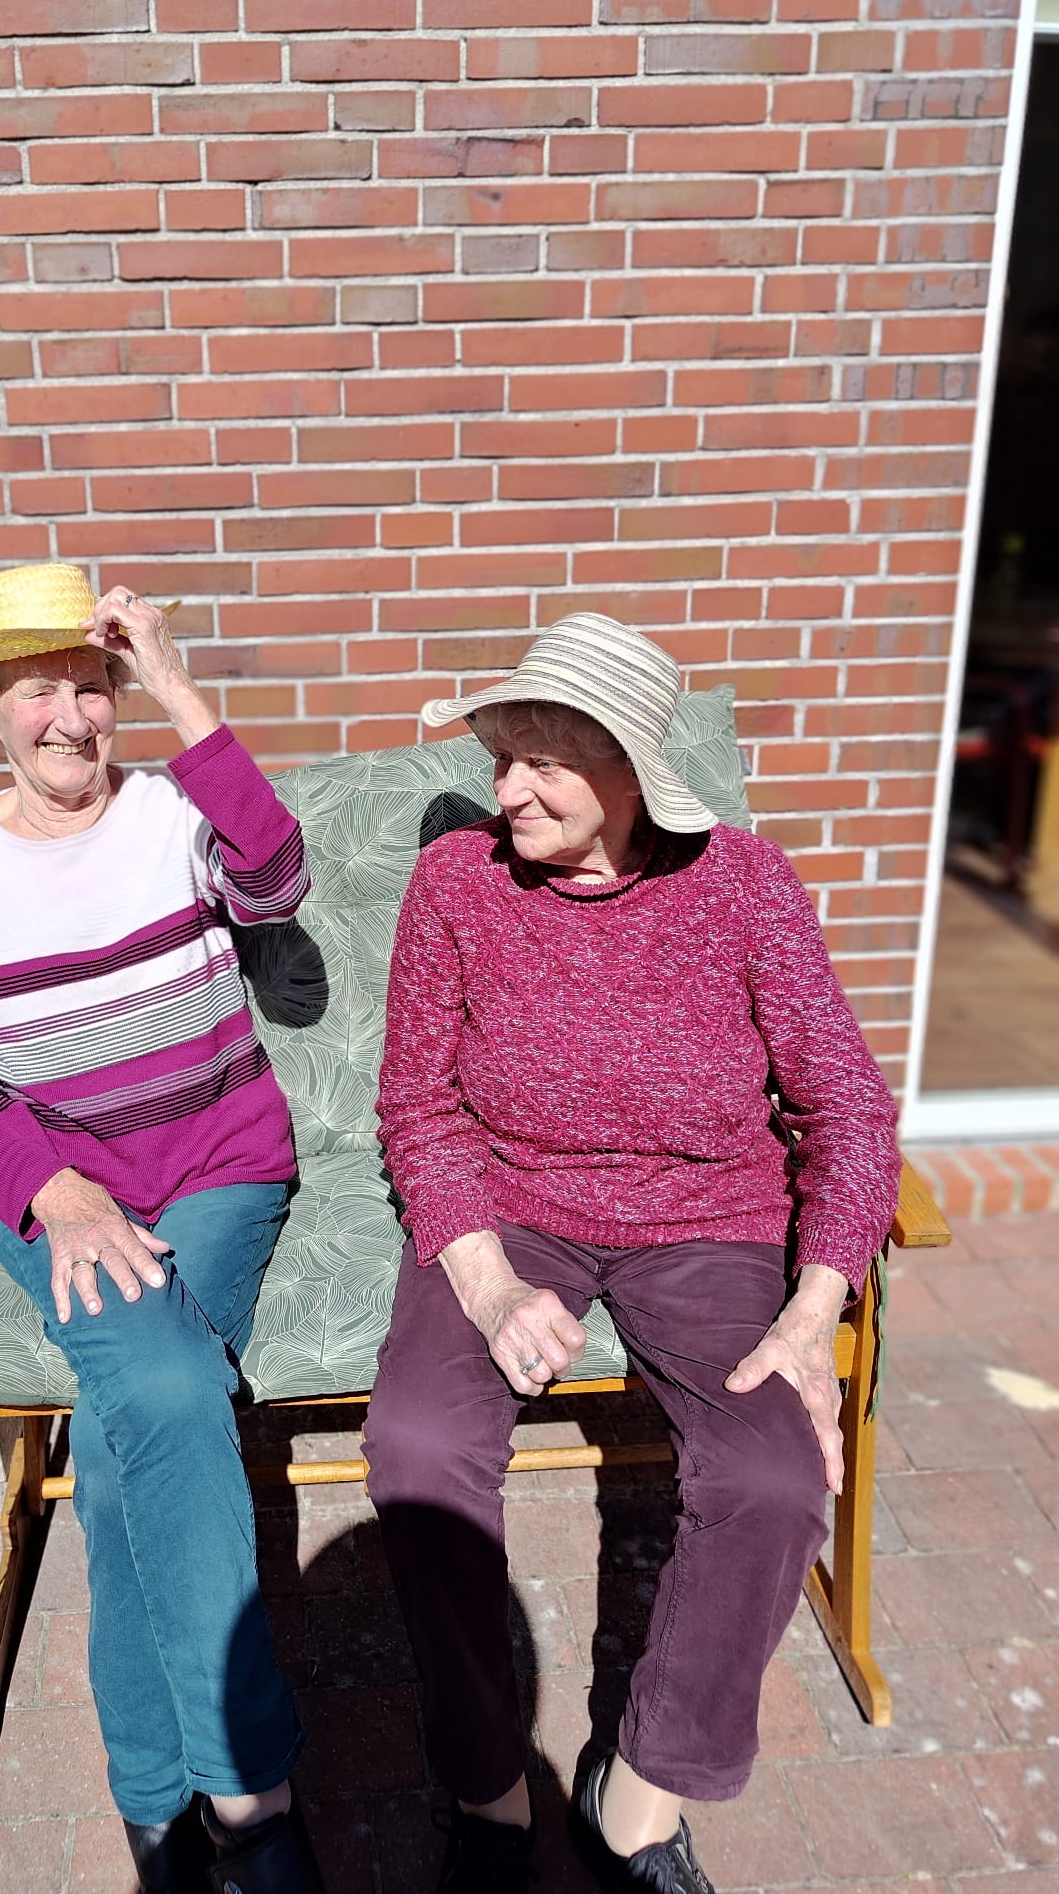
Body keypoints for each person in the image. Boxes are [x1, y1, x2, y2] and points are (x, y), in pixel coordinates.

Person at [362, 613, 901, 1894]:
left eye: (546, 759)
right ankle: (490, 1793)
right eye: (504, 755)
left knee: (773, 1477)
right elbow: (416, 1106)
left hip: (707, 1218)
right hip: (511, 1204)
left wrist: (810, 1307)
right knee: (419, 1446)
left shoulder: (747, 883)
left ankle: (638, 1797)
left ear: (629, 770)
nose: (509, 788)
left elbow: (849, 1108)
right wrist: (486, 1280)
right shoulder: (458, 880)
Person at [0, 563, 325, 1894]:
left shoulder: (168, 814)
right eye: (38, 691)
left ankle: (168, 1798)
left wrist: (184, 693)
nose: (69, 718)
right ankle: (246, 1792)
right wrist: (51, 1191)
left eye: (92, 684)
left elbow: (279, 877)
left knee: (146, 1435)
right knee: (171, 1390)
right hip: (59, 1198)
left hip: (218, 1166)